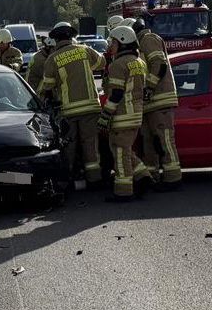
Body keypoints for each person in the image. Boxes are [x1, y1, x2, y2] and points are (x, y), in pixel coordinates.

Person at [38, 22, 103, 188]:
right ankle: (94, 179)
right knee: (90, 144)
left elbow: (48, 86)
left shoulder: (52, 59)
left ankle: (68, 180)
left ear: (56, 39)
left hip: (69, 111)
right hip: (91, 108)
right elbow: (101, 63)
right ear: (71, 37)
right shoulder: (85, 50)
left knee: (70, 146)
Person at [101, 25, 152, 200]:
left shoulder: (118, 64)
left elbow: (116, 93)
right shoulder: (139, 63)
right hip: (136, 115)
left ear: (122, 41)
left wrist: (105, 116)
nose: (111, 46)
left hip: (122, 115)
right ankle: (143, 175)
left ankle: (123, 192)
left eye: (113, 42)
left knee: (121, 154)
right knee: (125, 149)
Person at [135, 14, 182, 188]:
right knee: (149, 141)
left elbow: (159, 64)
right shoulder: (141, 42)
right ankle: (152, 176)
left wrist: (149, 88)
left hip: (160, 100)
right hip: (150, 104)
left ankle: (173, 178)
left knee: (164, 140)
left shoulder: (148, 39)